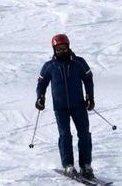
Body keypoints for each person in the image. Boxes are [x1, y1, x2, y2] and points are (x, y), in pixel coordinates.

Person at [34, 34, 95, 181]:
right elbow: (41, 83)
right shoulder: (49, 66)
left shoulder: (79, 63)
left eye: (63, 48)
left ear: (68, 47)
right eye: (58, 49)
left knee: (84, 135)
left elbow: (88, 79)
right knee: (65, 135)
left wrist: (90, 97)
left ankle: (85, 166)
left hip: (79, 106)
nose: (61, 51)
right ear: (54, 49)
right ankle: (68, 165)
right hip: (60, 108)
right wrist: (40, 97)